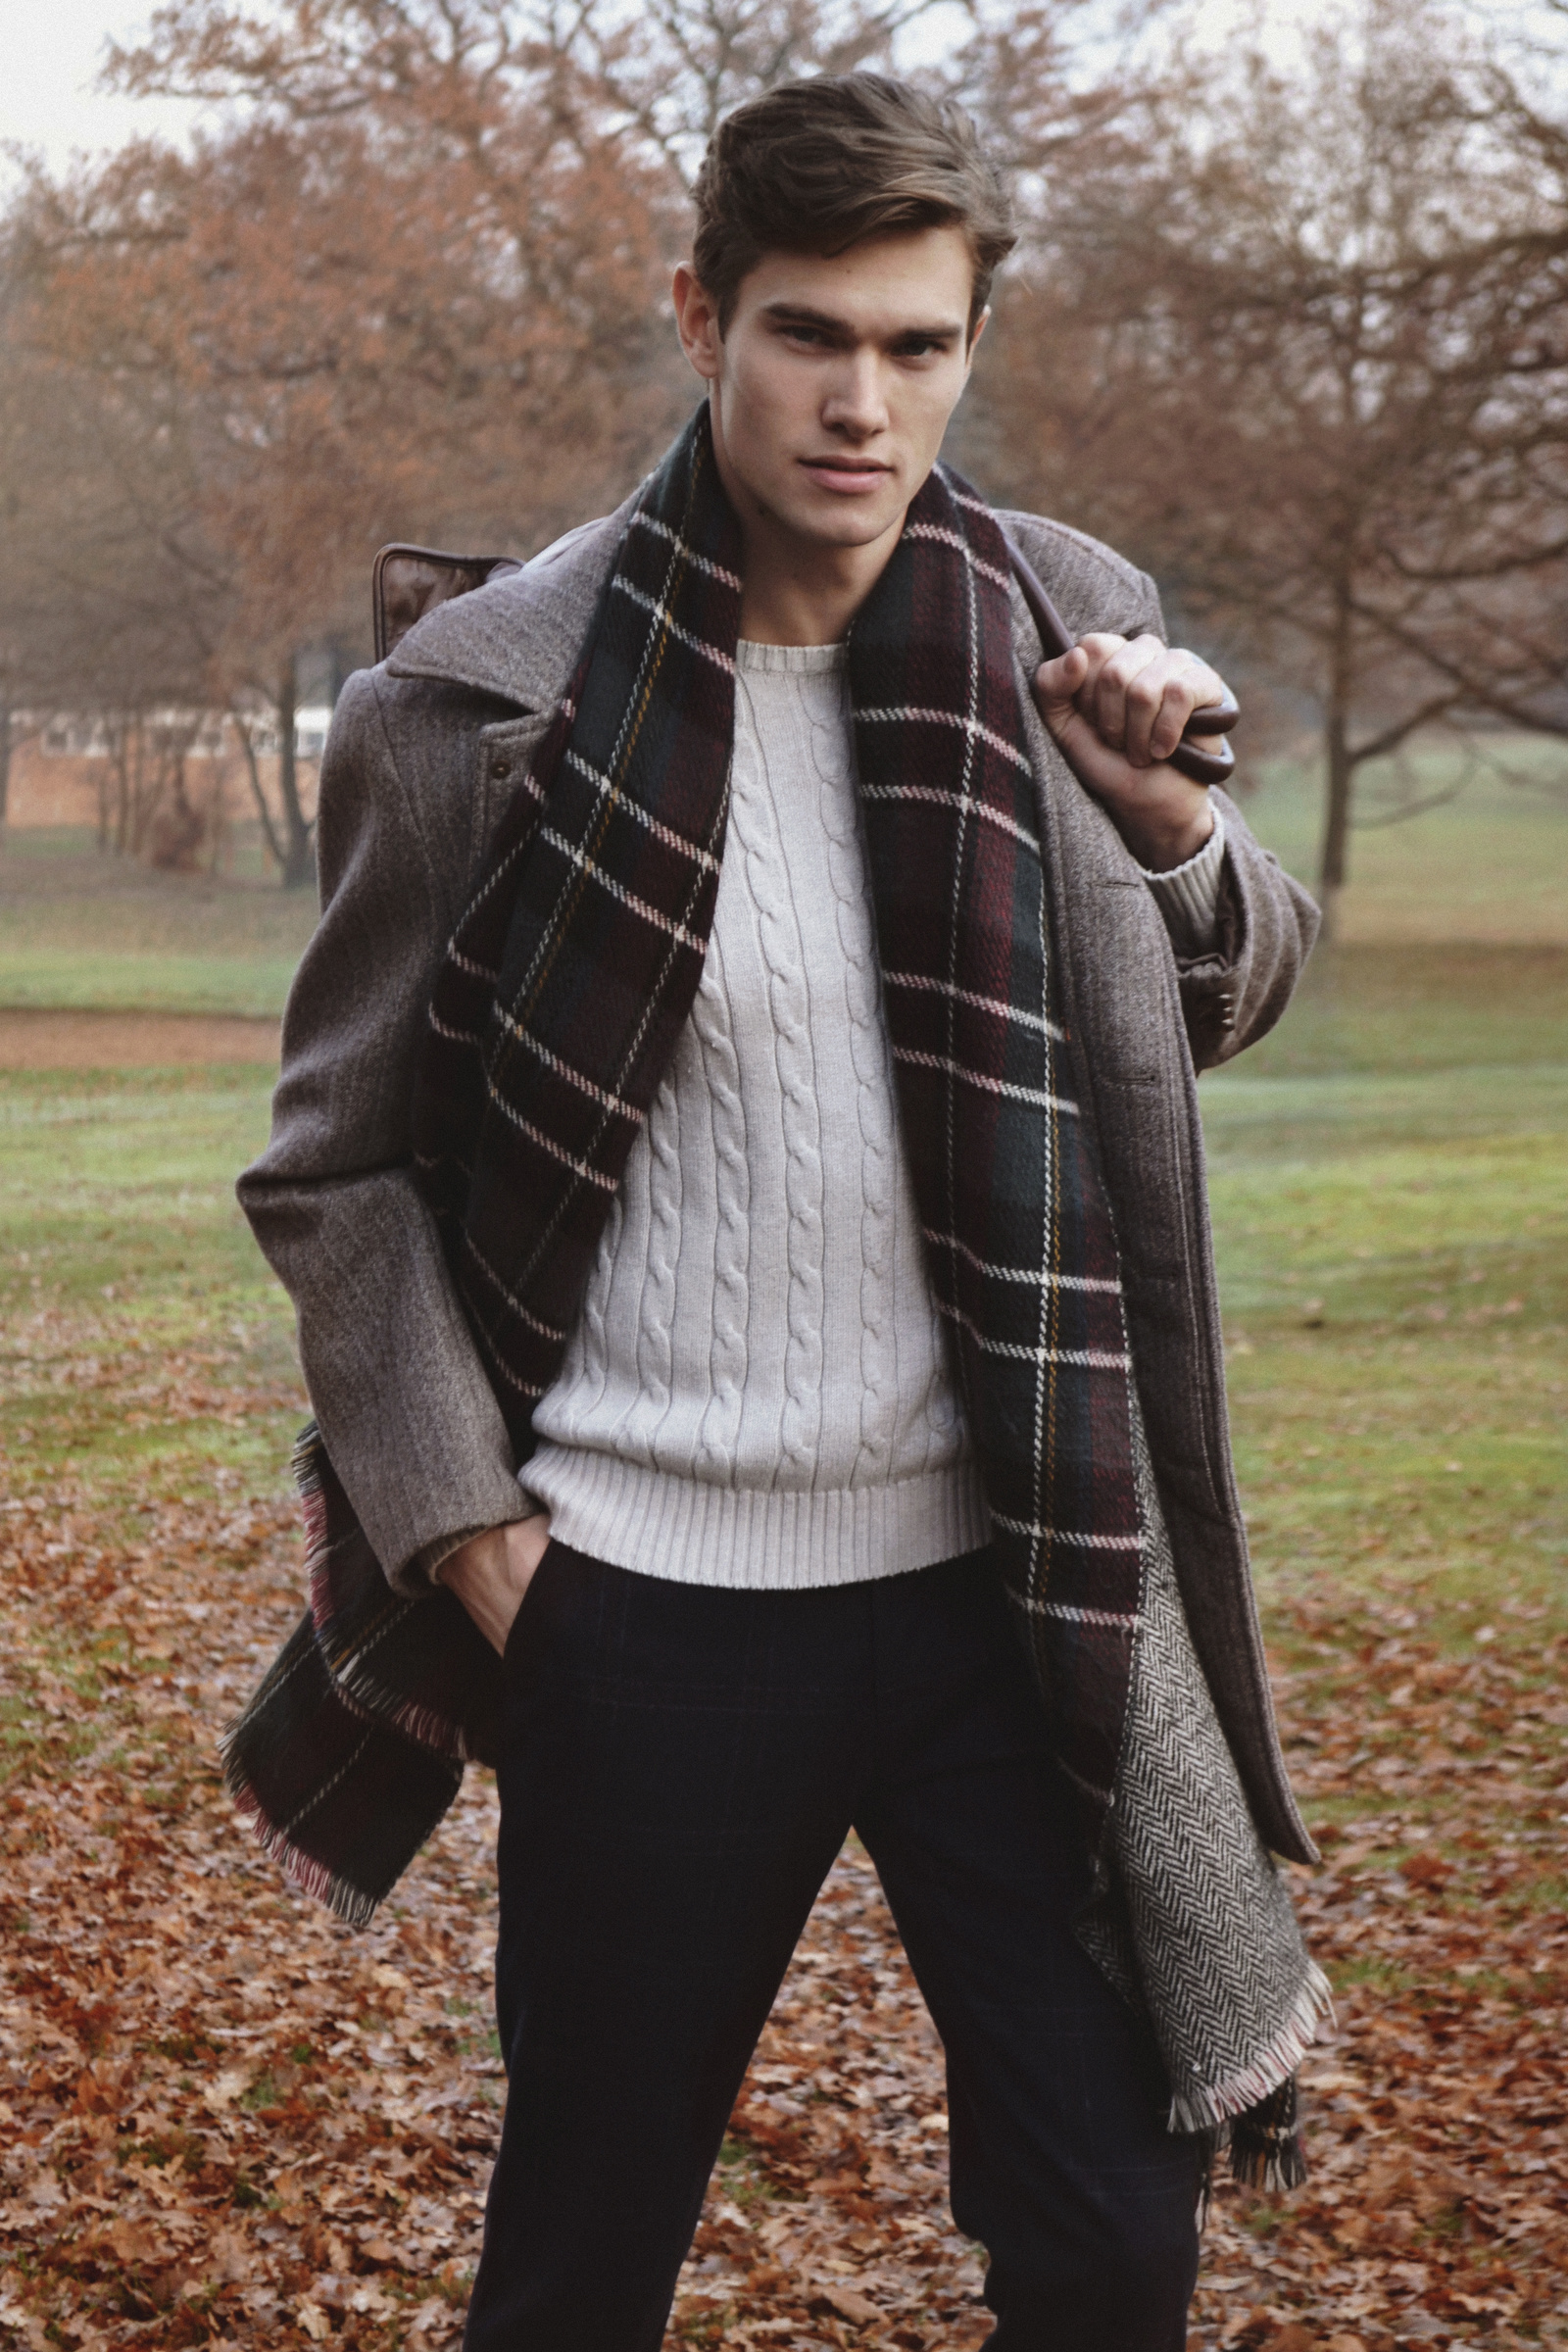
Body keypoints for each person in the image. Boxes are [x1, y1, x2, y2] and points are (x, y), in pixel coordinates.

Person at [235, 72, 1329, 2352]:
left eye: (915, 346)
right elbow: (333, 1169)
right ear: (698, 318)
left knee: (1110, 2241)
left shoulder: (1067, 631)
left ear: (968, 345)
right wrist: (474, 1543)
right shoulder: (481, 703)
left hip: (1006, 1581)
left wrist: (1169, 830)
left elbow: (1221, 995)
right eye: (806, 334)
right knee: (582, 2260)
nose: (860, 404)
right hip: (642, 1610)